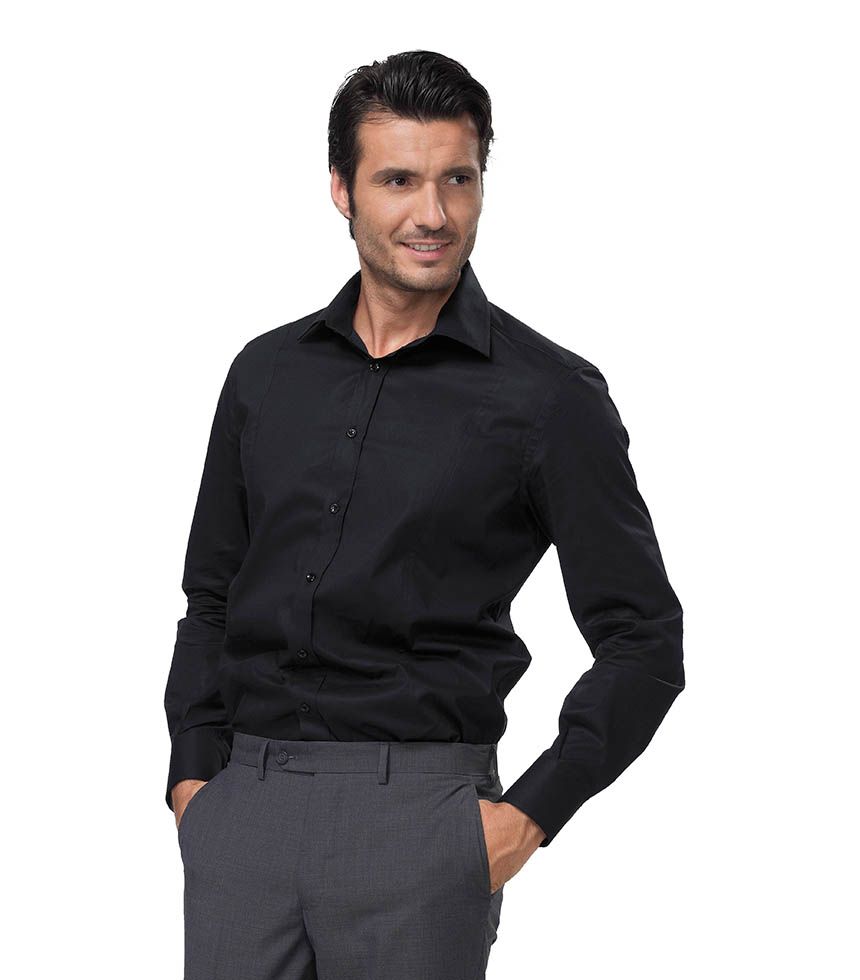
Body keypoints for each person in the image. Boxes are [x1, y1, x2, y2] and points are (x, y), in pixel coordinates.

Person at [164, 48, 685, 980]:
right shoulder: (265, 373)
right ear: (342, 189)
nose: (434, 214)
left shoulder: (548, 396)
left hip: (421, 821)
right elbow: (212, 593)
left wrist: (526, 817)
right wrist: (195, 778)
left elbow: (644, 639)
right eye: (399, 180)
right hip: (244, 814)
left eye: (459, 179)